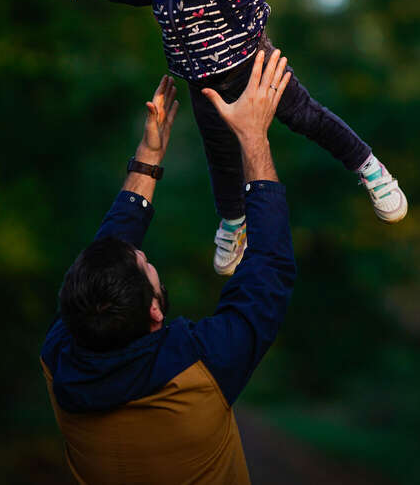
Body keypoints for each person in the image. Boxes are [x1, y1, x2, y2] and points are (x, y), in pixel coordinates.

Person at [68, 0, 407, 276]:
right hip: (201, 77)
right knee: (221, 156)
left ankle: (368, 167)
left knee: (304, 115)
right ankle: (233, 221)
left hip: (250, 62)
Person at [40, 50, 296, 484]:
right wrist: (253, 137)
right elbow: (268, 266)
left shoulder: (60, 364)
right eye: (146, 265)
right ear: (155, 311)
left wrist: (149, 153)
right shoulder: (203, 367)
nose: (144, 255)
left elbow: (107, 262)